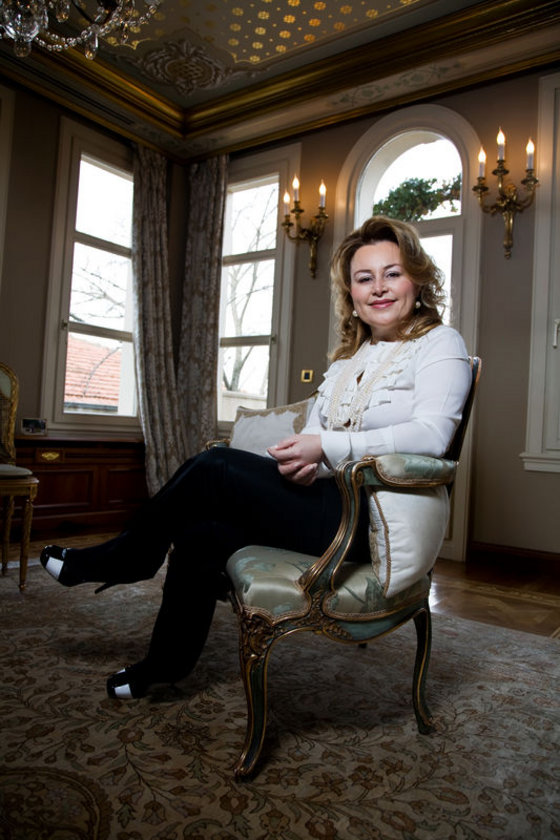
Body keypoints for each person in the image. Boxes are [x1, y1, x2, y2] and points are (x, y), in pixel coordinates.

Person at [41, 215, 471, 700]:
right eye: (364, 278)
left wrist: (326, 449)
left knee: (216, 466)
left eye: (392, 273)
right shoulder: (348, 361)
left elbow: (432, 436)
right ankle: (163, 665)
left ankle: (130, 555)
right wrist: (305, 464)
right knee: (201, 534)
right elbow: (317, 440)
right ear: (351, 293)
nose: (379, 288)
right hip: (327, 507)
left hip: (375, 526)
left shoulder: (440, 344)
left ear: (416, 278)